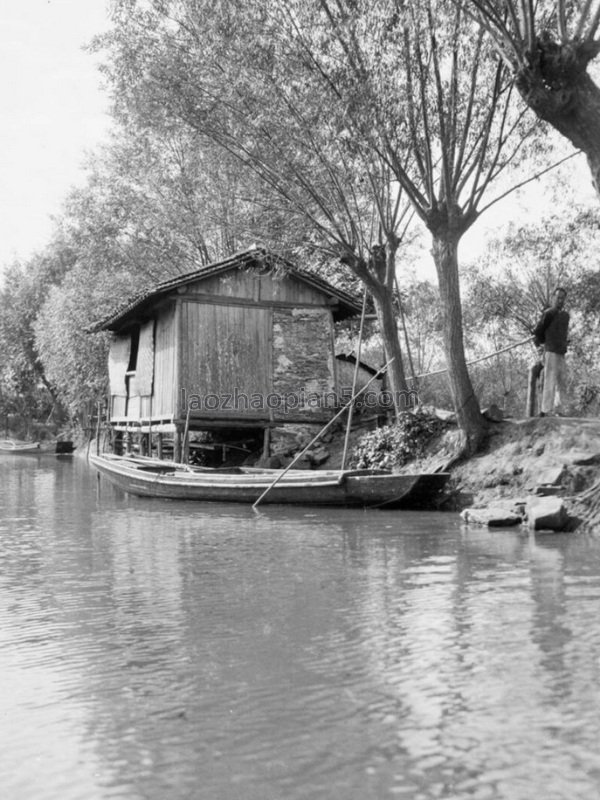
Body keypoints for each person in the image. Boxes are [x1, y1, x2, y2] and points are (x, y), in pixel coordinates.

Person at [532, 287, 570, 416]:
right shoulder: (549, 313)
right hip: (551, 351)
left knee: (562, 381)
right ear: (553, 298)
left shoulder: (566, 316)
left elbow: (563, 333)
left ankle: (561, 410)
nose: (560, 300)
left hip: (561, 352)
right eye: (558, 297)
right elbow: (538, 331)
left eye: (562, 298)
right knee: (550, 381)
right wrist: (543, 344)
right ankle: (546, 410)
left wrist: (564, 343)